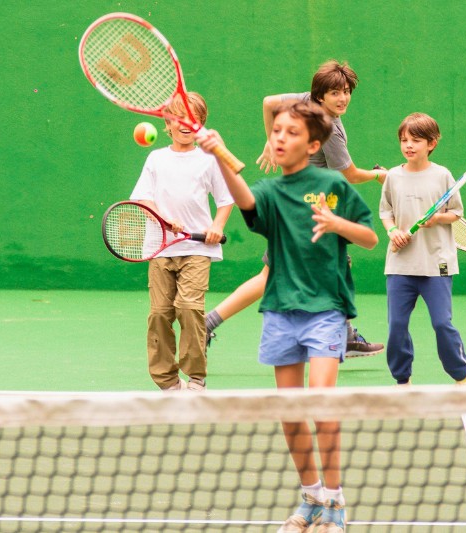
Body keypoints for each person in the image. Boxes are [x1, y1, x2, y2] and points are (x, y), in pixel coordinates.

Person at [200, 100, 378, 533]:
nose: (280, 137)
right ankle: (311, 498)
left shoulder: (333, 186)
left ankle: (335, 503)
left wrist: (338, 224)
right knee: (290, 410)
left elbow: (371, 237)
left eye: (291, 132)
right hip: (280, 311)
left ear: (313, 143)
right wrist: (219, 155)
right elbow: (245, 201)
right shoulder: (270, 192)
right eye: (276, 130)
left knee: (320, 402)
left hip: (326, 311)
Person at [204, 59, 383, 358]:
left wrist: (272, 140)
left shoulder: (303, 100)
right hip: (308, 212)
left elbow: (269, 102)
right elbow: (350, 175)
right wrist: (380, 175)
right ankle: (208, 322)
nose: (343, 98)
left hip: (302, 206)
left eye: (347, 91)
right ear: (321, 95)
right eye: (336, 93)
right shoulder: (330, 132)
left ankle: (346, 334)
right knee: (272, 276)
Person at [129, 93, 234, 392]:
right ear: (168, 122)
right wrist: (162, 220)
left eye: (194, 118)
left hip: (197, 249)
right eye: (179, 118)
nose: (186, 124)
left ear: (200, 124)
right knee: (160, 313)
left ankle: (196, 377)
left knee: (189, 307)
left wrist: (216, 226)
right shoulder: (156, 158)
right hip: (160, 249)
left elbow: (225, 200)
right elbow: (144, 198)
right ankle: (167, 381)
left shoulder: (209, 159)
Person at [380, 113, 466, 386]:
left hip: (437, 264)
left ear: (431, 143)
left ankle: (462, 377)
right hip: (400, 265)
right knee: (397, 327)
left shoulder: (442, 175)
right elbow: (386, 212)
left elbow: (456, 212)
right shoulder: (393, 177)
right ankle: (402, 380)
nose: (408, 145)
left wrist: (437, 219)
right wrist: (392, 231)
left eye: (416, 140)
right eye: (404, 140)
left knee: (442, 324)